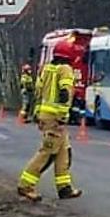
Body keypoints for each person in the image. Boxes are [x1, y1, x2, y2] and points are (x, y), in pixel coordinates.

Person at [19, 49, 82, 202]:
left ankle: (64, 187)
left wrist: (37, 113)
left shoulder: (46, 69)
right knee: (47, 153)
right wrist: (62, 116)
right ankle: (26, 185)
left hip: (46, 116)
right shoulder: (65, 69)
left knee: (63, 152)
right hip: (55, 119)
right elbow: (65, 94)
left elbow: (39, 93)